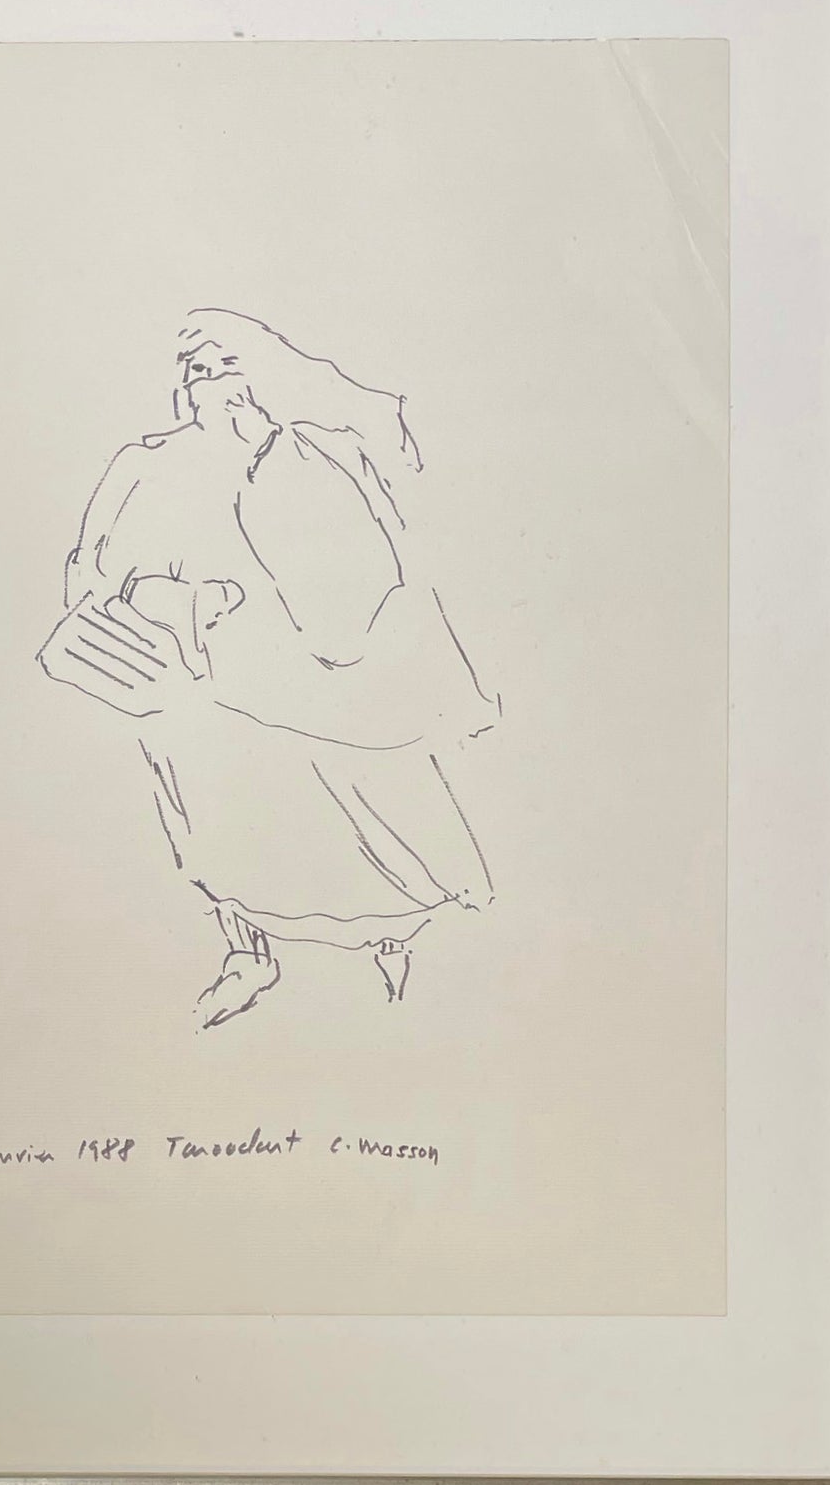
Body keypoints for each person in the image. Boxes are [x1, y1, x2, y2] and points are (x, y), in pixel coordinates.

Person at [45, 309, 498, 1027]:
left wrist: (265, 472)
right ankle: (248, 953)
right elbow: (91, 569)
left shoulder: (311, 453)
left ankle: (392, 952)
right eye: (196, 371)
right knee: (217, 828)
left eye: (225, 367)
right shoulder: (145, 465)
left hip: (309, 691)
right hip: (190, 691)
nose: (208, 384)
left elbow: (363, 580)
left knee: (358, 821)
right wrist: (161, 600)